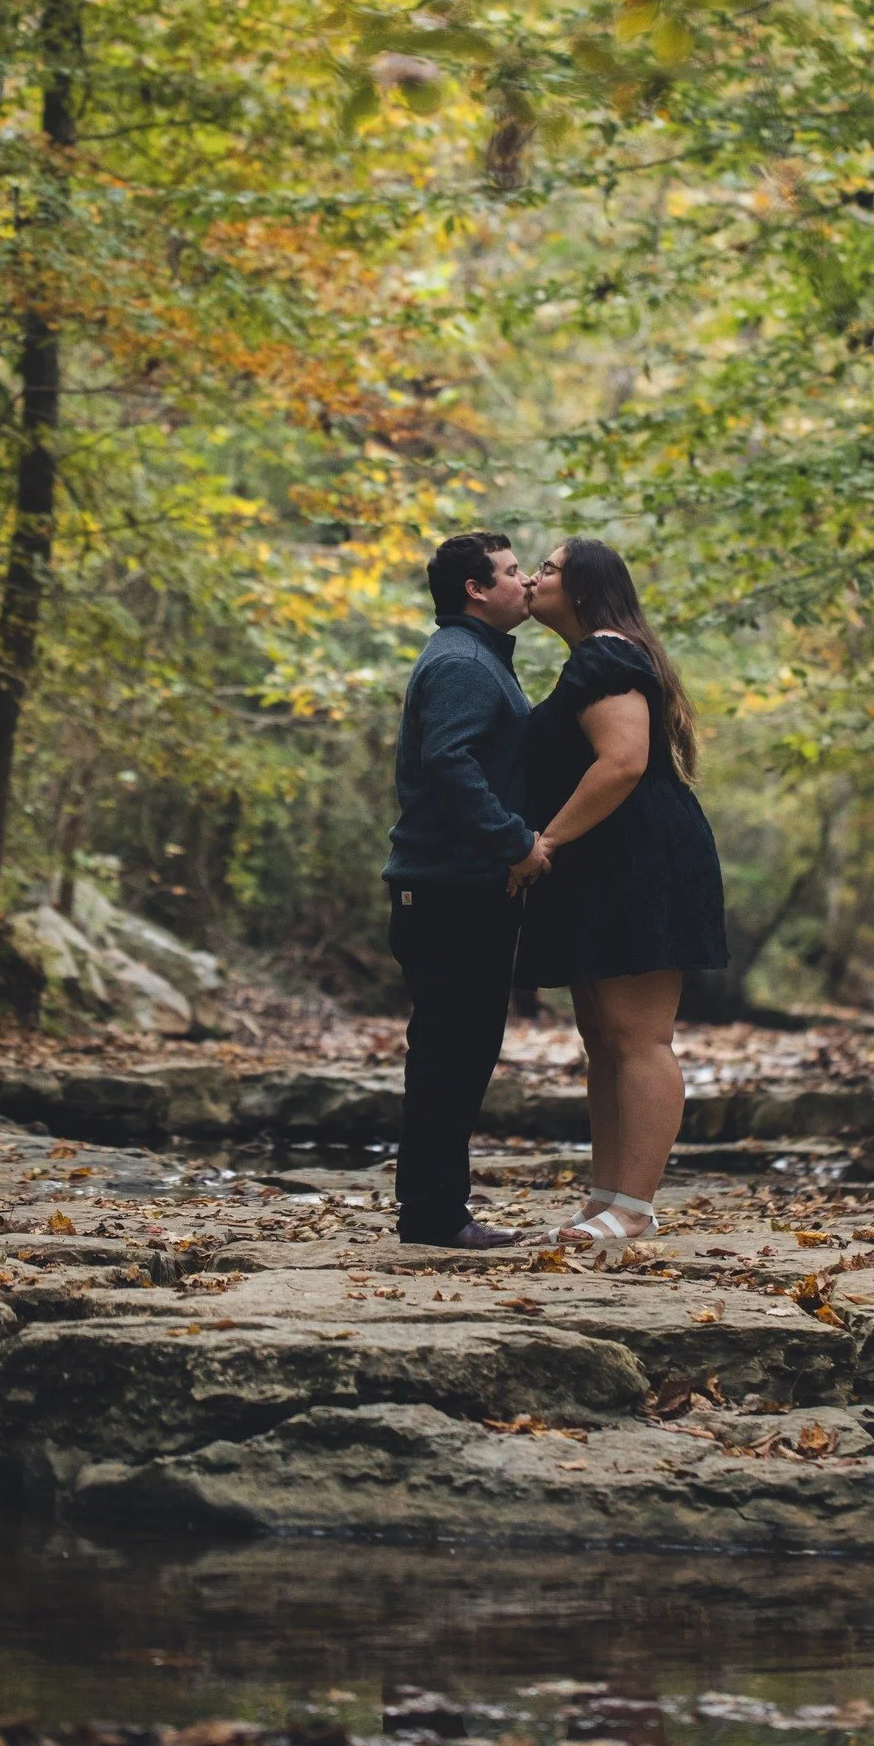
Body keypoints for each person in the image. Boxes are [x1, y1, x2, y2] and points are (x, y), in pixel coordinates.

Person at [516, 538, 728, 1244]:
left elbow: (622, 762)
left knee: (638, 1037)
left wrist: (545, 840)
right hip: (604, 860)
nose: (531, 578)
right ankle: (607, 1196)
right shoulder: (598, 654)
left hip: (638, 859)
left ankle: (633, 1208)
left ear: (582, 587)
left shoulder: (606, 654)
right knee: (602, 1038)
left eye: (545, 568)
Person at [384, 531, 551, 1248]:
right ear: (475, 590)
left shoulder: (476, 658)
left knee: (456, 1053)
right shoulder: (461, 662)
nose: (525, 583)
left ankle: (436, 1210)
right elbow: (450, 764)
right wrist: (515, 842)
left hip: (455, 888)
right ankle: (432, 1216)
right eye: (513, 573)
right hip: (447, 891)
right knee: (450, 1056)